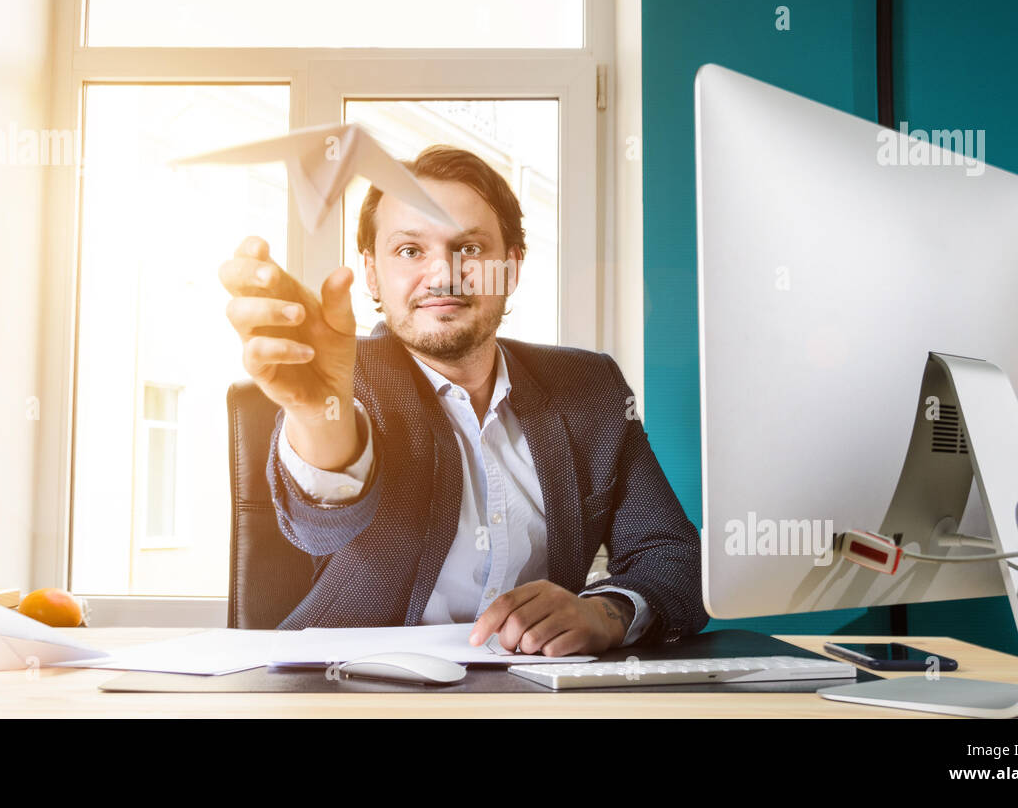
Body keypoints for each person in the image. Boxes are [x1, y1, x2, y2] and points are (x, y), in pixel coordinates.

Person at [219, 144, 706, 656]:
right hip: (352, 699)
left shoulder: (589, 388)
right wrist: (320, 417)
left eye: (470, 249)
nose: (443, 275)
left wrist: (606, 612)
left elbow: (674, 557)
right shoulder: (340, 378)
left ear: (512, 267)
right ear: (371, 272)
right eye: (410, 251)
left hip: (536, 698)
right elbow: (321, 526)